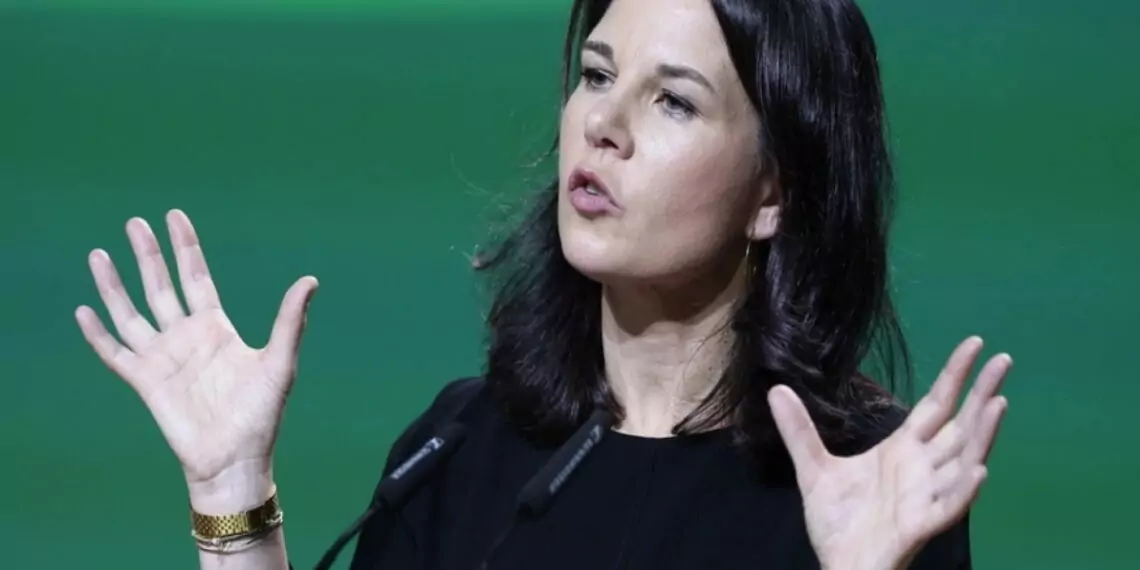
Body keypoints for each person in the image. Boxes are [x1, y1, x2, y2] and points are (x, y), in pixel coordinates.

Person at [75, 0, 1012, 568]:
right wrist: (232, 489)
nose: (604, 123)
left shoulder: (867, 481)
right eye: (596, 75)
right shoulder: (458, 444)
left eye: (673, 100)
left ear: (774, 192)